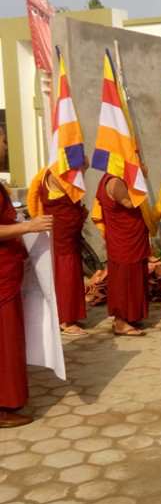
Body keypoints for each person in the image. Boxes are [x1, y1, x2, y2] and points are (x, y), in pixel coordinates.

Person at [0, 181, 53, 428]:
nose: (4, 145)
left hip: (8, 271)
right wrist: (28, 226)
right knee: (5, 342)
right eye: (2, 140)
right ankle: (4, 407)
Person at [28, 166, 88, 334]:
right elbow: (73, 190)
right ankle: (66, 320)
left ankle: (68, 315)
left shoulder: (56, 171)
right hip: (62, 232)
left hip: (67, 232)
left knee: (70, 269)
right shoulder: (56, 174)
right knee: (65, 271)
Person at [95, 171, 150, 336]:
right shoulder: (115, 181)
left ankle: (130, 316)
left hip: (131, 239)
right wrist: (139, 179)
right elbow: (130, 203)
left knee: (134, 277)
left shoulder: (120, 178)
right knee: (124, 279)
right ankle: (120, 322)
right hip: (124, 241)